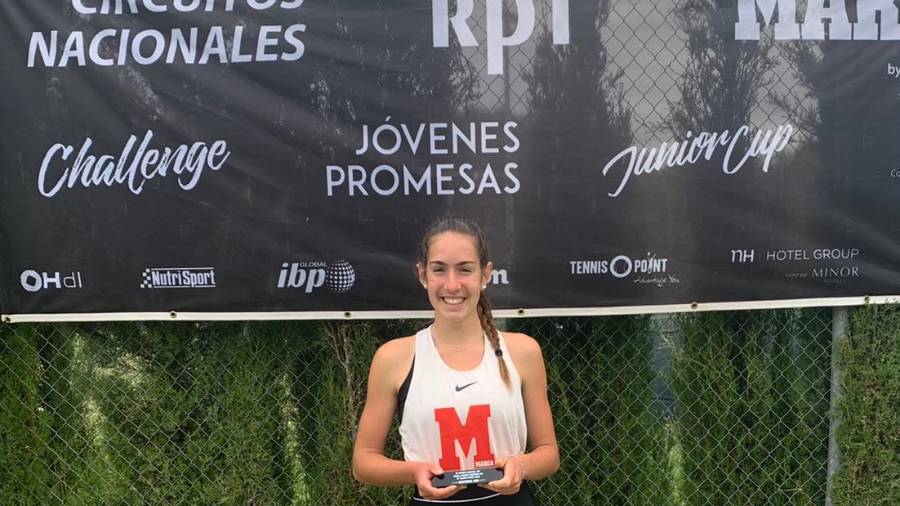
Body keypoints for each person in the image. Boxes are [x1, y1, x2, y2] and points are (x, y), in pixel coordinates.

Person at [352, 216, 559, 505]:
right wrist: (415, 471)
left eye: (465, 270)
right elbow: (363, 462)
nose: (452, 284)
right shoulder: (394, 358)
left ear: (485, 275)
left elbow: (549, 453)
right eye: (439, 270)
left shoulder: (523, 351)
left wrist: (520, 466)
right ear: (423, 274)